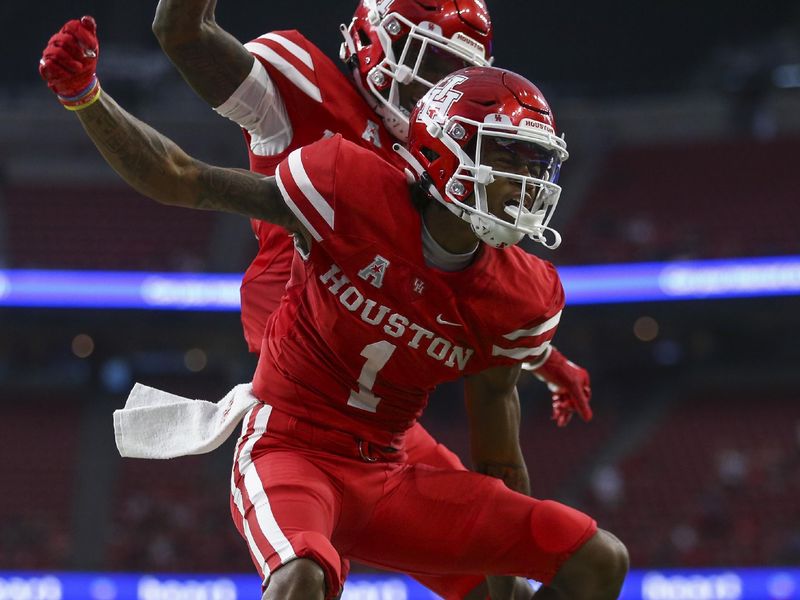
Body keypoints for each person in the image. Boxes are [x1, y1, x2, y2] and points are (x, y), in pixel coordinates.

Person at [40, 17, 628, 600]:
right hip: (292, 444)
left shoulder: (522, 295)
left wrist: (547, 363)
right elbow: (182, 175)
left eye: (534, 166)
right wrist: (86, 98)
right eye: (508, 159)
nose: (526, 186)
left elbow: (499, 461)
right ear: (448, 152)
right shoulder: (346, 183)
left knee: (596, 560)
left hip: (393, 463)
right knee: (301, 580)